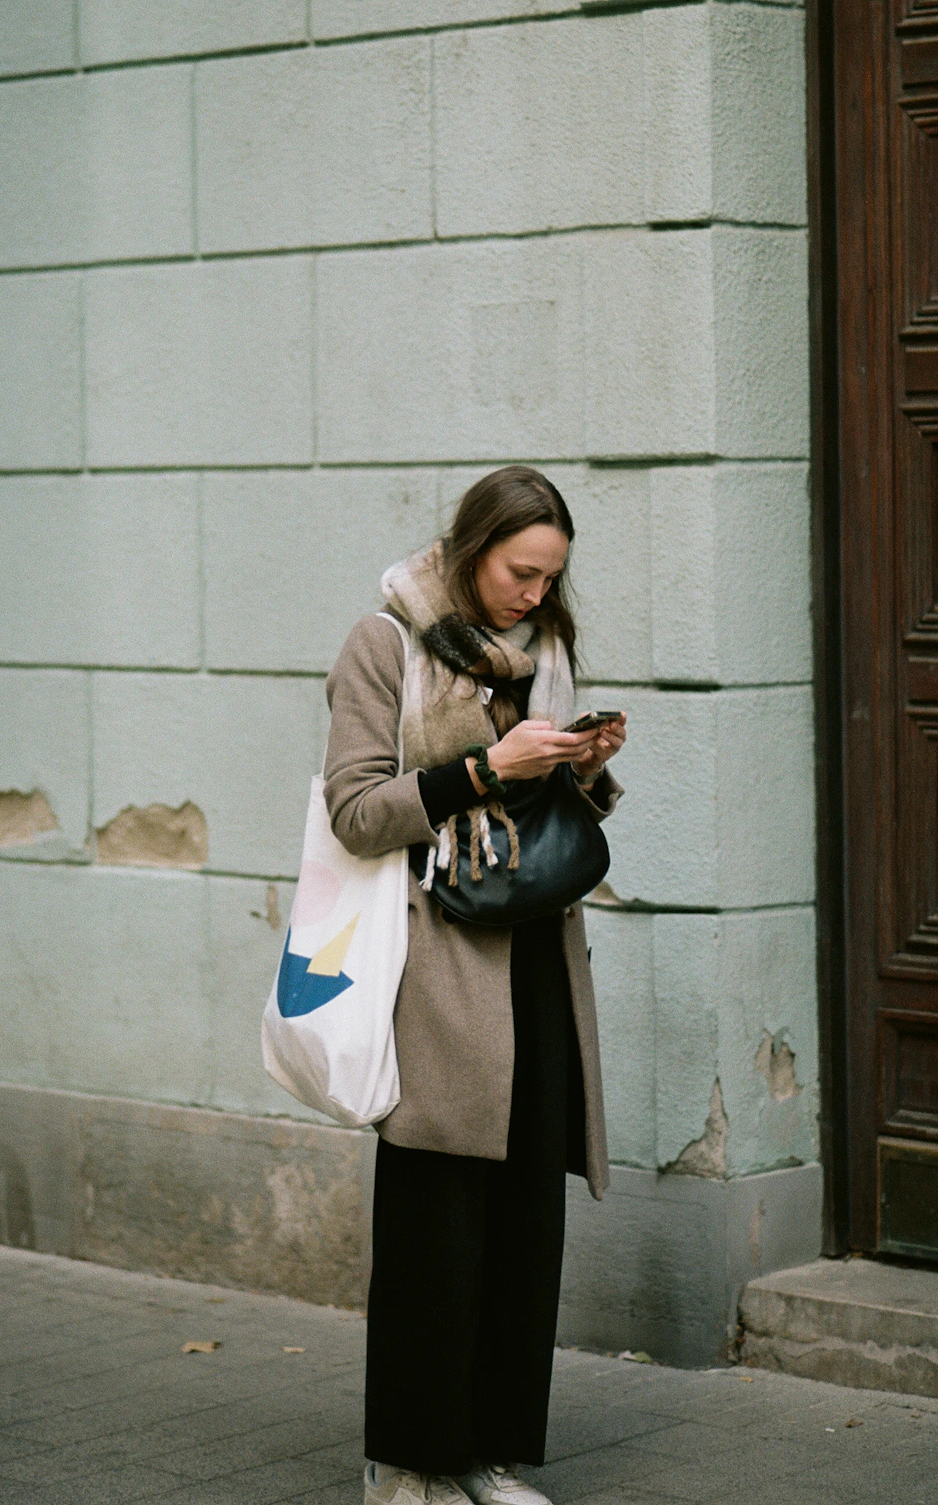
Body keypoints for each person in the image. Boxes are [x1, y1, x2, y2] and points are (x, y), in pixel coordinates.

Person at [323, 465, 627, 1505]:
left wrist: (584, 766)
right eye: (520, 571)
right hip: (438, 971)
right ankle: (404, 1458)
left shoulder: (545, 653)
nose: (535, 595)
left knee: (521, 1224)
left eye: (551, 578)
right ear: (470, 549)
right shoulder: (386, 641)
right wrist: (490, 769)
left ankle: (485, 1453)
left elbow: (540, 819)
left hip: (535, 960)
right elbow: (357, 810)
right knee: (433, 1227)